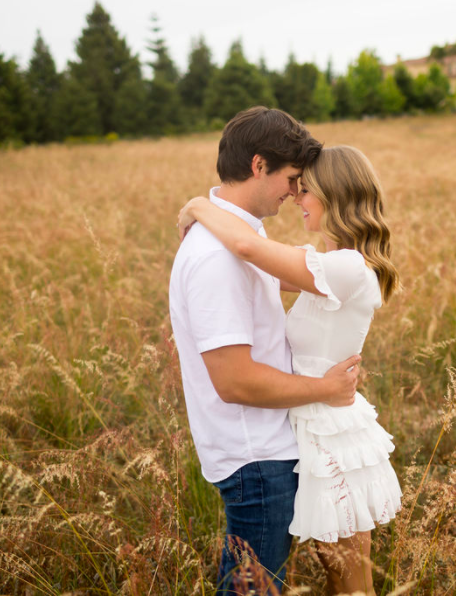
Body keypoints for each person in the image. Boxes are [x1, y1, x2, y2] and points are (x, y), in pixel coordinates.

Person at [179, 144, 402, 595]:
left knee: (350, 581)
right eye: (296, 187)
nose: (298, 199)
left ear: (337, 197)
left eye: (308, 190)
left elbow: (246, 245)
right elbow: (255, 267)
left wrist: (200, 205)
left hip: (333, 435)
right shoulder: (329, 266)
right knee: (336, 572)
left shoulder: (347, 269)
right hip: (313, 425)